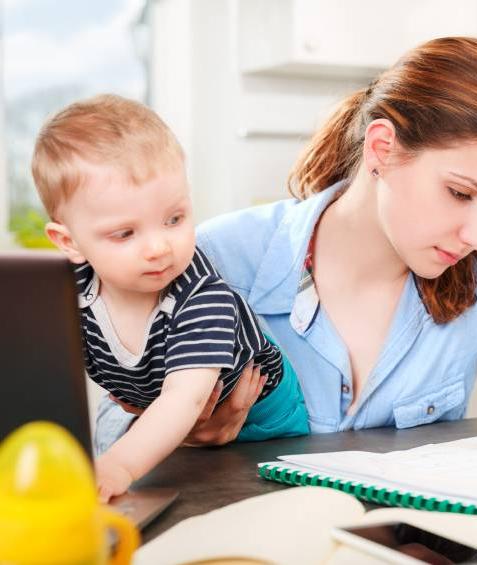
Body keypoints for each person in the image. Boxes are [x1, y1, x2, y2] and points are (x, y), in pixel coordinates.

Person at [98, 37, 477, 459]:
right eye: (460, 192)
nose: (476, 233)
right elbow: (102, 433)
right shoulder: (215, 261)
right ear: (383, 147)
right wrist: (177, 435)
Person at [32, 94, 309, 500]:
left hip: (261, 420)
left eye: (174, 219)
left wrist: (118, 466)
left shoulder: (202, 297)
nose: (159, 246)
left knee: (237, 493)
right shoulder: (69, 292)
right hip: (167, 418)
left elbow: (184, 399)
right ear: (69, 241)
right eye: (126, 233)